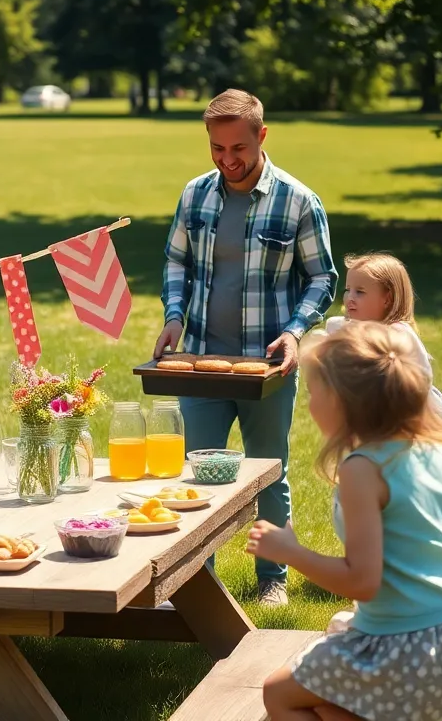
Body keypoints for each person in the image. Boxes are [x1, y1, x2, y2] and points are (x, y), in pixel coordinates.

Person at [248, 321, 442, 721]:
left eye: (312, 394)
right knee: (325, 704)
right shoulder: (435, 450)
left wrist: (292, 552)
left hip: (410, 648)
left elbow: (362, 580)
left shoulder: (362, 470)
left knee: (278, 693)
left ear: (343, 403)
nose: (308, 405)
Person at [154, 88, 337, 606]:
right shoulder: (196, 195)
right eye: (217, 148)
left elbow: (323, 277)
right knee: (196, 476)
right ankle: (195, 586)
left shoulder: (298, 200)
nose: (228, 160)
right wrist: (174, 318)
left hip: (268, 367)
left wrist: (296, 331)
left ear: (261, 136)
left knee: (266, 472)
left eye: (238, 148)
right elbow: (175, 262)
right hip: (203, 363)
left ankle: (271, 579)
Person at [326, 252, 442, 545]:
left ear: (387, 298)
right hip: (378, 428)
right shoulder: (360, 330)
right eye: (348, 289)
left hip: (412, 426)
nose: (349, 298)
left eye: (360, 292)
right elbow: (334, 328)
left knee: (419, 483)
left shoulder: (398, 333)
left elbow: (414, 380)